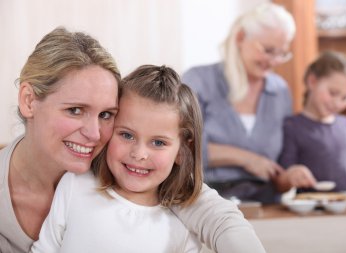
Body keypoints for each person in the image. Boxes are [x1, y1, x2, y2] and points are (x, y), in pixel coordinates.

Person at [0, 27, 266, 253]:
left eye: (106, 114)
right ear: (28, 100)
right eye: (75, 110)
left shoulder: (137, 178)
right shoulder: (78, 186)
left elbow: (220, 219)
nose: (95, 134)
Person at [30, 65, 203, 252]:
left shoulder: (183, 227)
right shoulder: (76, 185)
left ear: (181, 151)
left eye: (158, 143)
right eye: (127, 135)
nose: (139, 154)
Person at [182, 2, 296, 203]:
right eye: (268, 50)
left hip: (266, 204)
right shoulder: (198, 81)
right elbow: (181, 146)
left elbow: (284, 158)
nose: (274, 61)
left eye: (281, 53)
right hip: (206, 201)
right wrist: (246, 159)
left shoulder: (280, 91)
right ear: (241, 37)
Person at [277, 51, 346, 193]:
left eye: (345, 97)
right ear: (312, 81)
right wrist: (292, 174)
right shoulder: (292, 126)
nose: (337, 103)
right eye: (333, 93)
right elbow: (283, 178)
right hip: (309, 211)